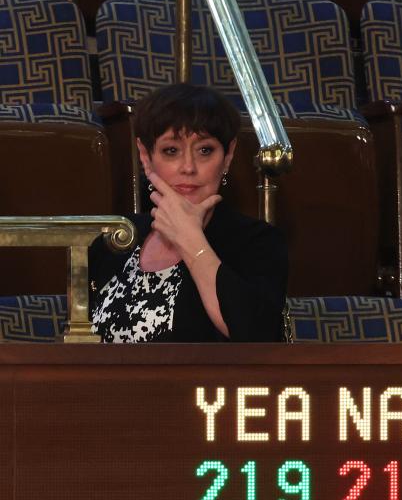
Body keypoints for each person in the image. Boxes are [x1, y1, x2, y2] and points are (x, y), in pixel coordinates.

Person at [89, 83, 288, 342]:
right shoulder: (112, 241)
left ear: (228, 156)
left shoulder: (257, 242)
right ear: (145, 156)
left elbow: (257, 337)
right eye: (171, 150)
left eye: (205, 150)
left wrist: (190, 240)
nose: (188, 167)